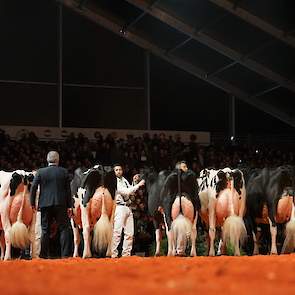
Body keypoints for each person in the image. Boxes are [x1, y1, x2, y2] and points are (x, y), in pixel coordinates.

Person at [30, 151, 73, 259]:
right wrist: (69, 206)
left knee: (45, 230)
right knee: (64, 228)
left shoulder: (40, 172)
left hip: (44, 204)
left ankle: (43, 255)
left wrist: (32, 203)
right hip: (61, 204)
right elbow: (68, 191)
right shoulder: (64, 172)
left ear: (47, 160)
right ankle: (65, 255)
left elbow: (33, 188)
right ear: (58, 160)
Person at [111, 164, 145, 258]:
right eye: (116, 170)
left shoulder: (124, 180)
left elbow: (131, 190)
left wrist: (134, 182)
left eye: (120, 169)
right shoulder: (115, 181)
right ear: (114, 172)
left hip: (128, 207)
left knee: (129, 233)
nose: (118, 171)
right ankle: (114, 254)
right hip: (119, 207)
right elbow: (126, 192)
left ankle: (126, 254)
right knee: (117, 232)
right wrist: (138, 185)